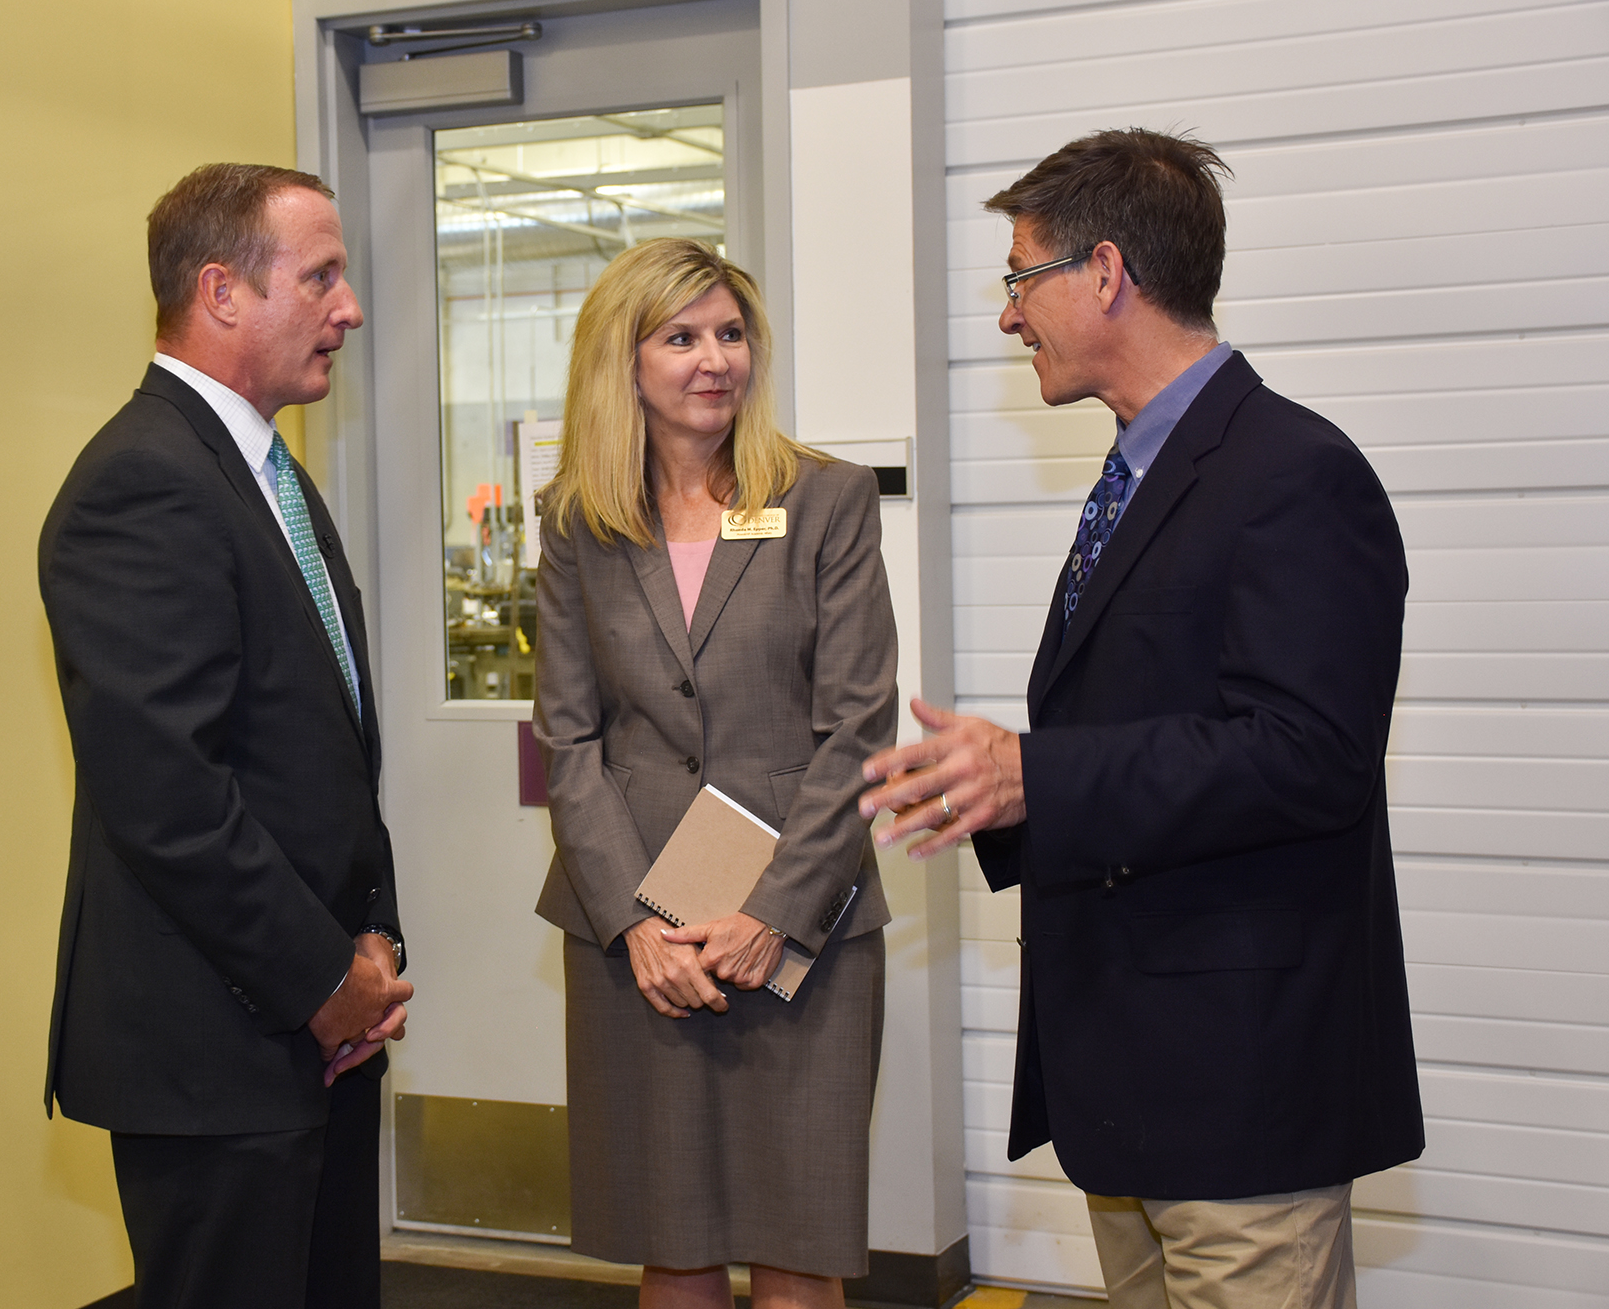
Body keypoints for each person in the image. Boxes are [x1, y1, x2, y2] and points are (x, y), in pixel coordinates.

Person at [858, 130, 1422, 1308]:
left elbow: (1309, 757)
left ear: (1105, 273)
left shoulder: (1296, 473)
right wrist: (998, 791)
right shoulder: (1140, 472)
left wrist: (1037, 778)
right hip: (1135, 1089)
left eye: (1020, 280)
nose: (1011, 318)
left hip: (1245, 1100)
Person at [37, 162, 412, 1309]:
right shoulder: (142, 484)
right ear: (223, 291)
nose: (349, 308)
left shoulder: (263, 473)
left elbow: (323, 754)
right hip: (217, 1049)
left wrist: (373, 948)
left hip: (315, 1034)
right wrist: (321, 979)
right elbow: (169, 793)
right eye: (323, 276)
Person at [532, 238, 897, 1309]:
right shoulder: (578, 520)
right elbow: (569, 737)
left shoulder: (825, 498)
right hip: (638, 934)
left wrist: (771, 911)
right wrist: (636, 923)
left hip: (800, 931)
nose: (715, 359)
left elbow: (859, 728)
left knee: (798, 1246)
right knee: (673, 1243)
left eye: (731, 333)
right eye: (682, 336)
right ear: (624, 361)